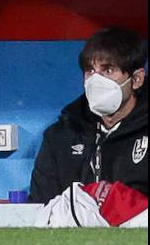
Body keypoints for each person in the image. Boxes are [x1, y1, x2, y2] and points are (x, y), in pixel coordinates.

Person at [30, 27, 147, 209]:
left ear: (137, 79)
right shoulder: (59, 137)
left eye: (108, 71)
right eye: (90, 71)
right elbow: (41, 208)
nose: (96, 80)